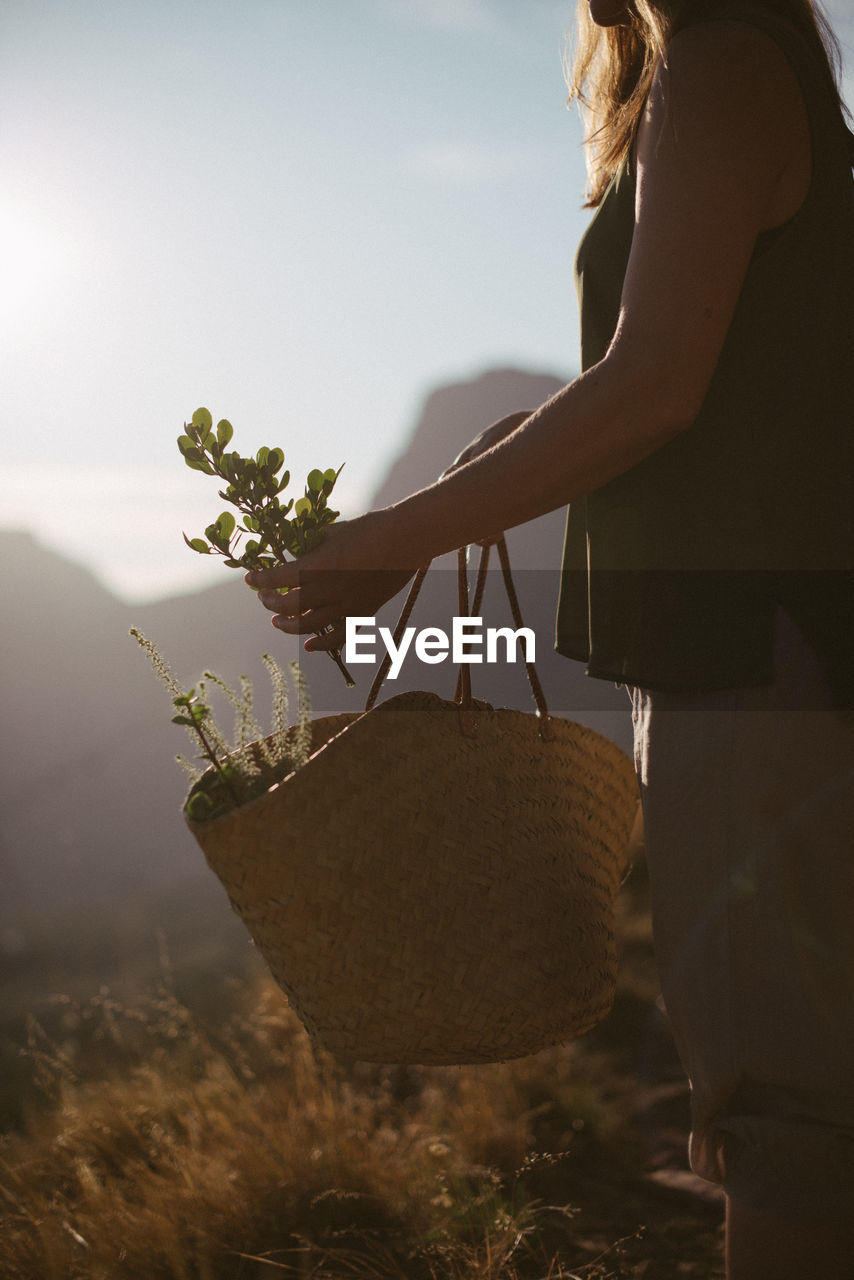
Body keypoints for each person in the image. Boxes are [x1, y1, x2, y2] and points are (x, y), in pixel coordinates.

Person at [245, 2, 854, 1275]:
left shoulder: (725, 57)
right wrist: (515, 444)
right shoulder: (727, 62)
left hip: (753, 651)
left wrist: (394, 536)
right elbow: (713, 369)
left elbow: (656, 384)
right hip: (743, 640)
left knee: (782, 1102)